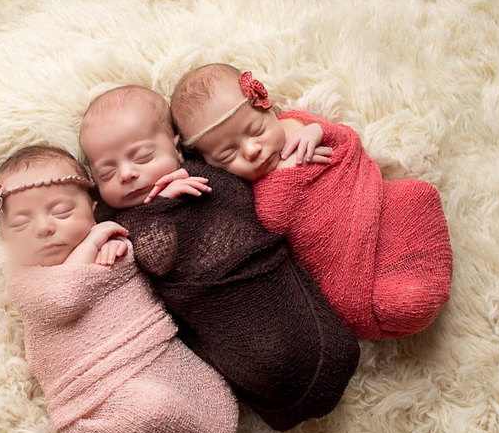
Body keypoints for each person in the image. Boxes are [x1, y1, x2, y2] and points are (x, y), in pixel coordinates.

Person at [79, 86, 360, 432]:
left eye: (142, 156)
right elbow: (154, 262)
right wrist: (152, 213)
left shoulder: (210, 167)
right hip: (218, 319)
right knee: (261, 363)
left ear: (177, 148)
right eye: (107, 173)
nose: (126, 174)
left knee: (302, 340)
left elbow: (255, 172)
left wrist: (305, 131)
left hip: (269, 284)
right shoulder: (124, 225)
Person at [0, 145, 237, 433]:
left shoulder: (113, 234)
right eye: (21, 223)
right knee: (149, 410)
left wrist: (121, 249)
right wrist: (91, 246)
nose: (43, 228)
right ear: (4, 236)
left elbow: (146, 265)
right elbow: (61, 299)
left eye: (61, 211)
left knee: (166, 400)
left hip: (150, 355)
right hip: (91, 393)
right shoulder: (23, 277)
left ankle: (195, 422)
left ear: (93, 210)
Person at [170, 64, 453, 339]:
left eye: (256, 131)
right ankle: (401, 294)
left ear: (268, 107)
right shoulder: (239, 191)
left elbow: (347, 141)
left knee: (417, 195)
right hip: (343, 264)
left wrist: (317, 132)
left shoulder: (295, 124)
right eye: (228, 154)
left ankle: (414, 274)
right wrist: (283, 184)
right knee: (400, 302)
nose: (252, 149)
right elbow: (264, 228)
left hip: (377, 206)